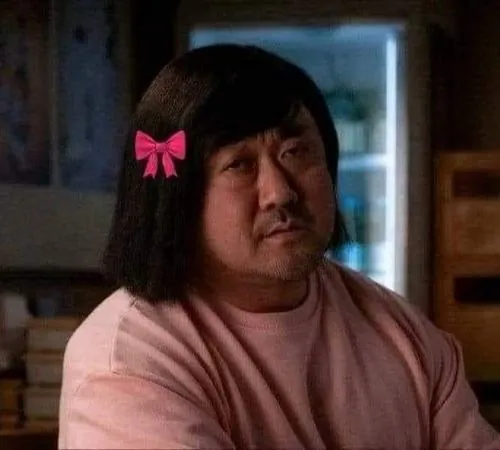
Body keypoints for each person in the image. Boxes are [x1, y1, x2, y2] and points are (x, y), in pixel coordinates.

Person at [58, 44, 500, 449]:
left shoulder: (404, 333)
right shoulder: (130, 361)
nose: (280, 192)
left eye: (295, 152)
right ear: (178, 197)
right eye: (239, 164)